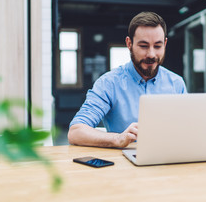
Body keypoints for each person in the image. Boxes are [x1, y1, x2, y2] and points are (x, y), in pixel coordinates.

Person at [68, 11, 187, 148]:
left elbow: (186, 129)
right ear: (129, 43)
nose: (151, 54)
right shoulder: (109, 83)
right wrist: (118, 139)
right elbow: (75, 132)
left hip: (169, 160)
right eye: (143, 46)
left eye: (158, 46)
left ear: (165, 44)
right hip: (125, 164)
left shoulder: (176, 83)